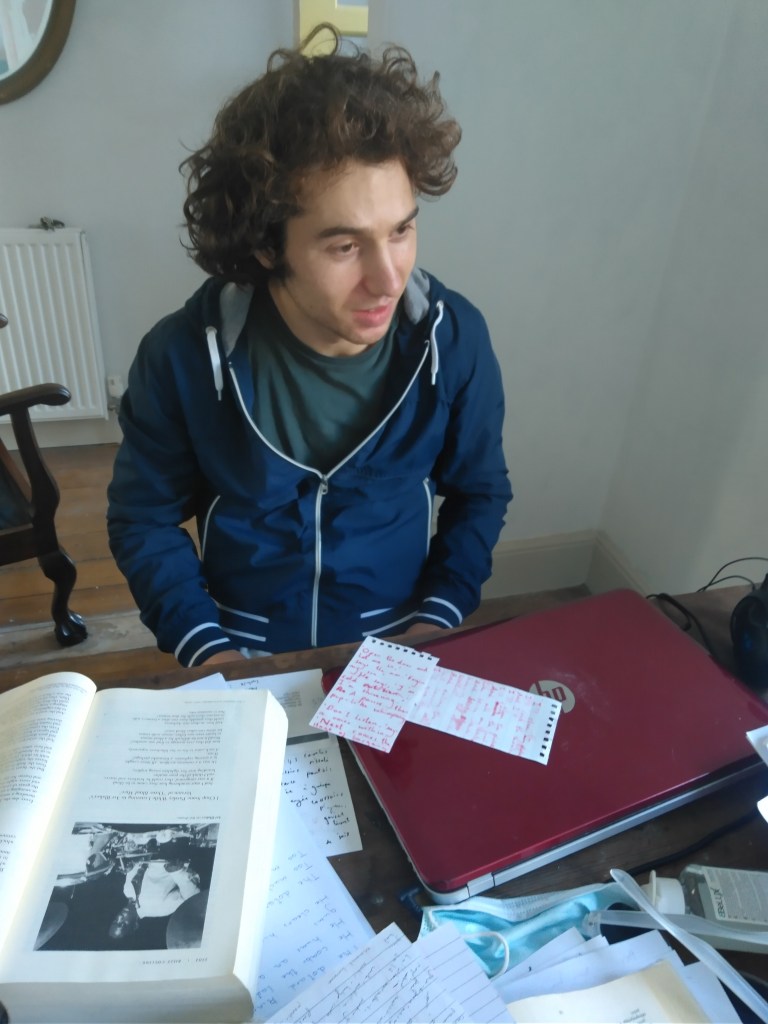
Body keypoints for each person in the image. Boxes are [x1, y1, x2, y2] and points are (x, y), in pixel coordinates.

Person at [107, 26, 511, 668]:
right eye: (345, 246)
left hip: (401, 642)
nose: (388, 276)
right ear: (267, 246)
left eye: (402, 230)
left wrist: (439, 617)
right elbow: (144, 518)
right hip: (240, 649)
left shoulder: (454, 340)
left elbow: (480, 491)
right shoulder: (181, 357)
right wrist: (205, 647)